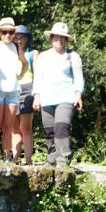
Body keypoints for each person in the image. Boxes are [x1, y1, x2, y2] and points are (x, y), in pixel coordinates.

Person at [32, 23, 84, 168]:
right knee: (49, 130)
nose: (59, 39)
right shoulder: (43, 56)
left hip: (66, 98)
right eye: (56, 36)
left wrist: (78, 94)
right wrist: (37, 96)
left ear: (66, 40)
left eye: (62, 37)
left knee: (61, 127)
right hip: (47, 98)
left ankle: (63, 160)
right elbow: (38, 78)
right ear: (51, 38)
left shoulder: (73, 56)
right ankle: (52, 159)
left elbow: (78, 78)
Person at [0, 17, 28, 161]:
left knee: (8, 126)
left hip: (12, 91)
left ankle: (6, 157)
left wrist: (21, 75)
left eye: (11, 32)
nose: (8, 35)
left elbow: (25, 64)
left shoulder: (17, 47)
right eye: (4, 32)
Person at [12, 24, 39, 164]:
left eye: (21, 37)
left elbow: (38, 74)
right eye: (15, 37)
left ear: (26, 39)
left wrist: (37, 94)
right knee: (14, 127)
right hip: (12, 89)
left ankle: (28, 160)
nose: (18, 40)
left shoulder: (33, 53)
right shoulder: (9, 52)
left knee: (26, 126)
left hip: (28, 88)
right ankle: (14, 159)